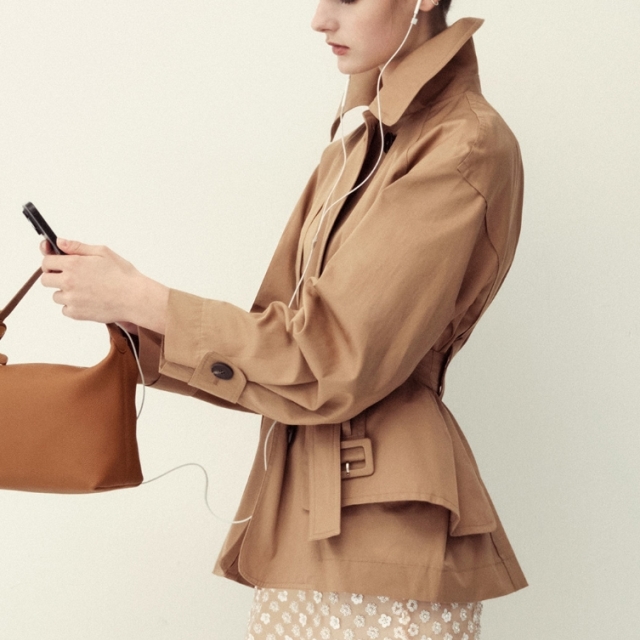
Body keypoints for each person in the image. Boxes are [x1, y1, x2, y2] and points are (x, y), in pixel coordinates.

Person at [40, 0, 527, 637]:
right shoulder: (354, 150)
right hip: (296, 516)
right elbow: (277, 346)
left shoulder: (464, 144)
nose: (320, 19)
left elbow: (331, 360)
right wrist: (137, 326)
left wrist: (143, 299)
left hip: (386, 532)